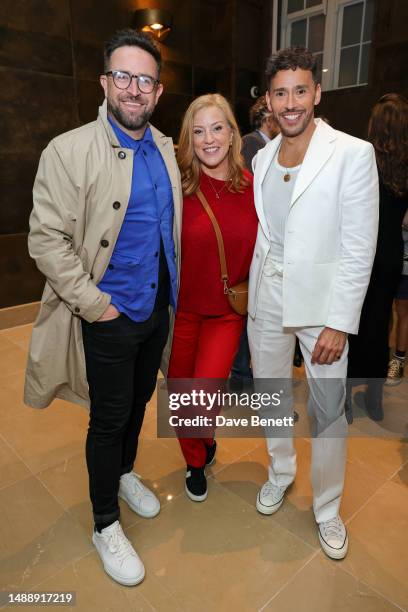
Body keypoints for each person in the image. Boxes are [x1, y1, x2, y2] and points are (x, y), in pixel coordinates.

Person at [24, 29, 182, 586]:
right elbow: (46, 240)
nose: (133, 89)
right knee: (109, 416)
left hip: (155, 311)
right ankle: (103, 522)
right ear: (104, 82)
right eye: (123, 76)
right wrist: (98, 307)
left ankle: (123, 473)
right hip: (108, 316)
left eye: (145, 79)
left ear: (158, 92)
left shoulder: (166, 147)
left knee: (140, 402)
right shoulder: (67, 150)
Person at [247, 46, 378, 560]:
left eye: (301, 90)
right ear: (270, 100)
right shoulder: (261, 157)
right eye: (281, 92)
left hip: (323, 309)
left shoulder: (351, 153)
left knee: (327, 414)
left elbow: (358, 246)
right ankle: (281, 472)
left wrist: (339, 324)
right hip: (269, 297)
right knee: (271, 394)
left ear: (317, 93)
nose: (291, 102)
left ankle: (327, 508)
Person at [168, 94, 258, 502]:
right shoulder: (178, 187)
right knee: (181, 394)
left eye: (217, 128)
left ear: (232, 132)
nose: (208, 140)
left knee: (203, 395)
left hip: (226, 313)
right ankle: (195, 459)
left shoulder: (255, 188)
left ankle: (202, 438)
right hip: (182, 311)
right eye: (199, 131)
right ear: (189, 137)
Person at [347, 94, 408, 421]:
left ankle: (344, 393)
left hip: (361, 252)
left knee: (351, 322)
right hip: (391, 256)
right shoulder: (405, 165)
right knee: (381, 323)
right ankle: (374, 397)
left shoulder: (362, 157)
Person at [386, 211, 408, 385]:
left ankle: (398, 360)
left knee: (403, 310)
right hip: (387, 256)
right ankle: (381, 355)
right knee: (383, 309)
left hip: (406, 261)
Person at [241, 95, 280, 171]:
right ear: (268, 120)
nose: (283, 123)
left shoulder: (274, 144)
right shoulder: (250, 141)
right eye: (279, 118)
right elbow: (251, 178)